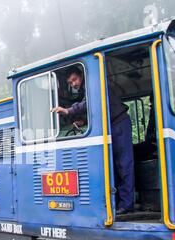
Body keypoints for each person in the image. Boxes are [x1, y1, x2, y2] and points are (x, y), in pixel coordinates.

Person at [52, 67, 135, 214]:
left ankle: (127, 204)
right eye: (70, 83)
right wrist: (83, 121)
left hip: (119, 124)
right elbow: (96, 109)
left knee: (124, 163)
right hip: (111, 125)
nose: (73, 84)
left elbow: (90, 102)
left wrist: (68, 111)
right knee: (114, 165)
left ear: (82, 75)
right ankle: (118, 202)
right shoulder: (86, 87)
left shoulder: (94, 83)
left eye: (74, 80)